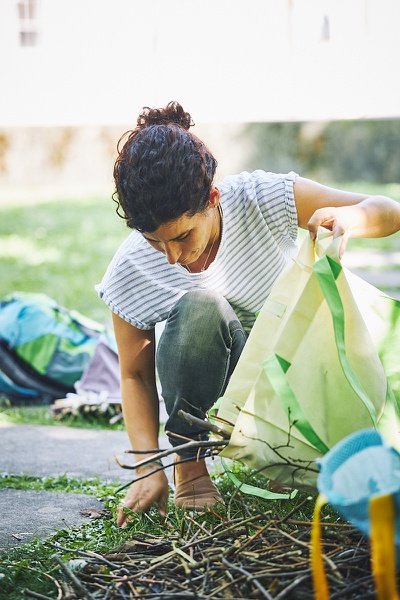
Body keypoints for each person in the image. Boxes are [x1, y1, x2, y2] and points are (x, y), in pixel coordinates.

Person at [97, 101, 400, 527]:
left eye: (182, 236)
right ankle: (191, 469)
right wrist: (148, 466)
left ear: (212, 199)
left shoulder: (260, 198)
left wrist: (350, 218)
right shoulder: (131, 268)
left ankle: (285, 446)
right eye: (153, 241)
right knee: (201, 306)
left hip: (299, 377)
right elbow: (134, 376)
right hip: (224, 396)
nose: (171, 257)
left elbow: (389, 210)